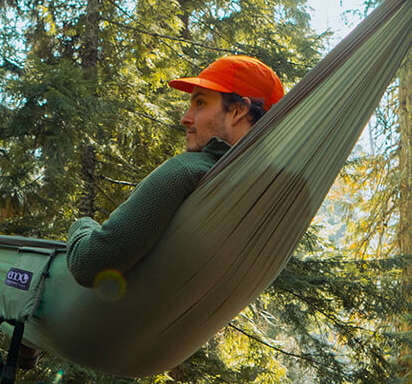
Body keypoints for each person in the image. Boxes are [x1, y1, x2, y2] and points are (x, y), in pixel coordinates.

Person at [63, 54, 284, 287]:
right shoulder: (268, 192)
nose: (185, 118)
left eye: (200, 103)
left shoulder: (187, 171)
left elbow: (89, 263)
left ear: (238, 111)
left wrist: (81, 225)